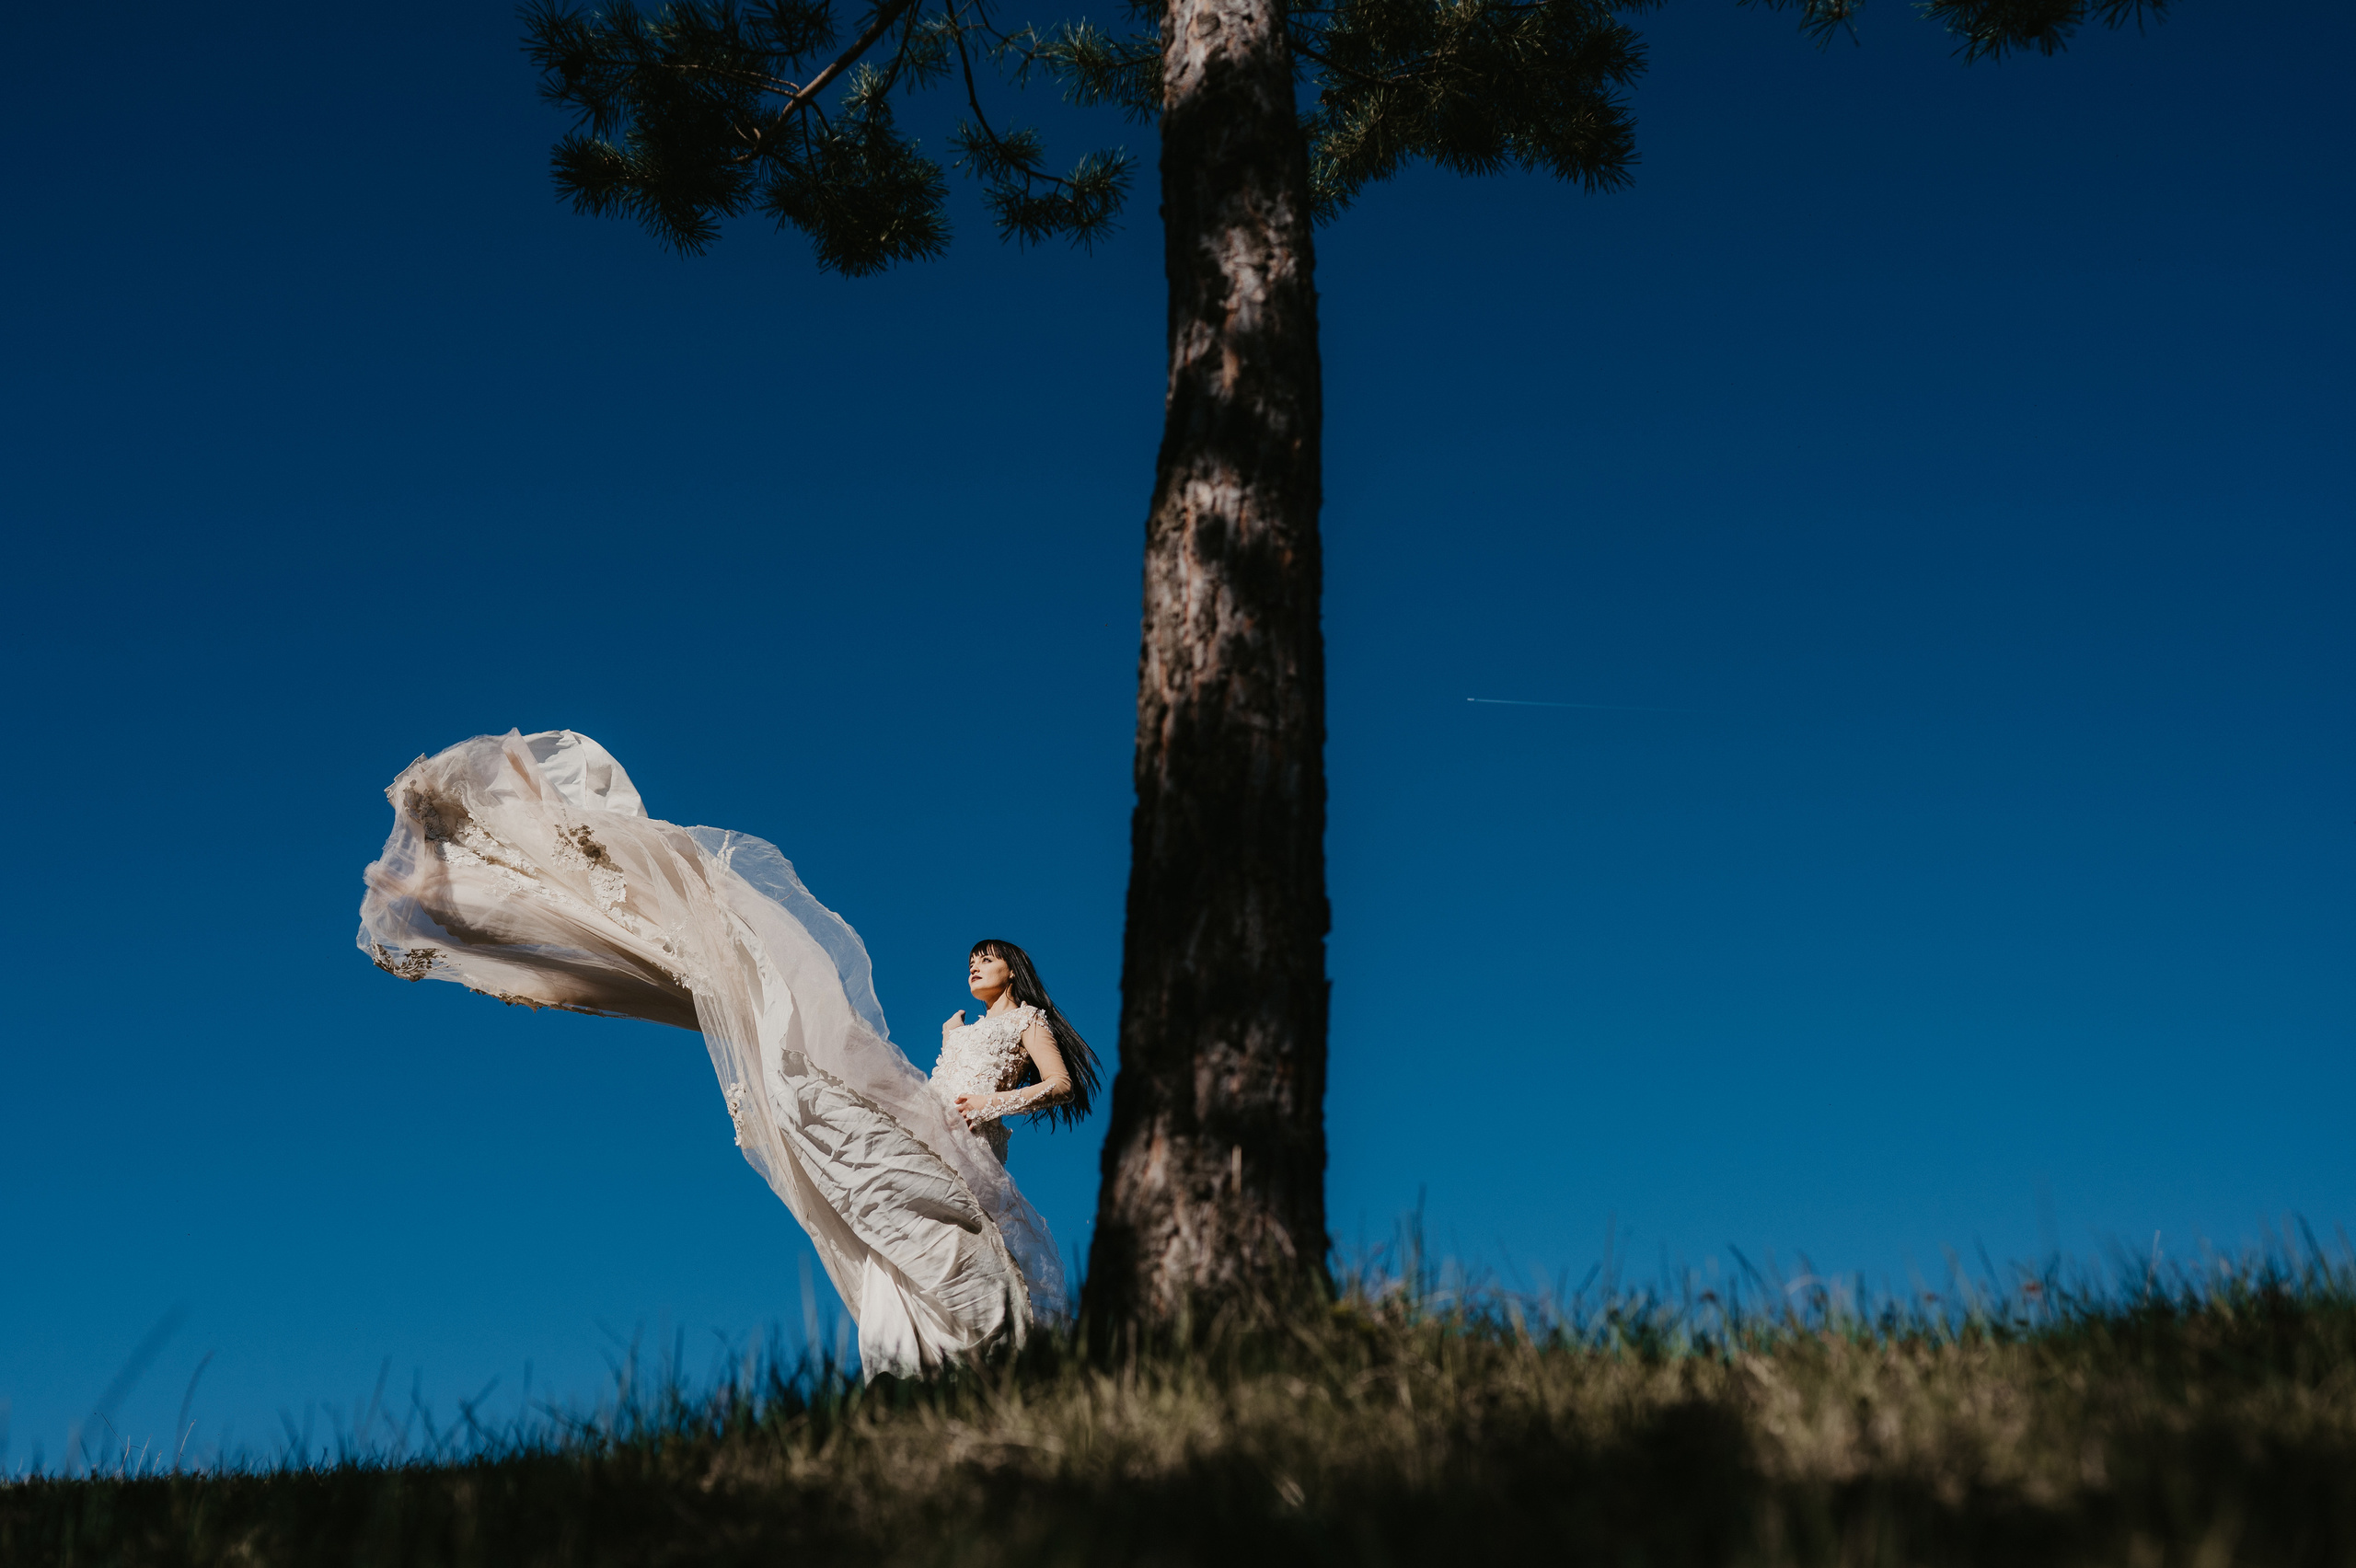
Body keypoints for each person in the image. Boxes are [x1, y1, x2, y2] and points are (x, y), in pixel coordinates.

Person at [355, 728, 1095, 1379]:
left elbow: (1059, 1085)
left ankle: (975, 1360)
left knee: (945, 1233)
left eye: (989, 959)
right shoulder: (954, 1027)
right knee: (875, 1197)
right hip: (938, 1121)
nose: (976, 965)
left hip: (974, 1139)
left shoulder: (1025, 1018)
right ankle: (929, 1368)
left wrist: (993, 1102)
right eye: (972, 957)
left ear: (1014, 969)